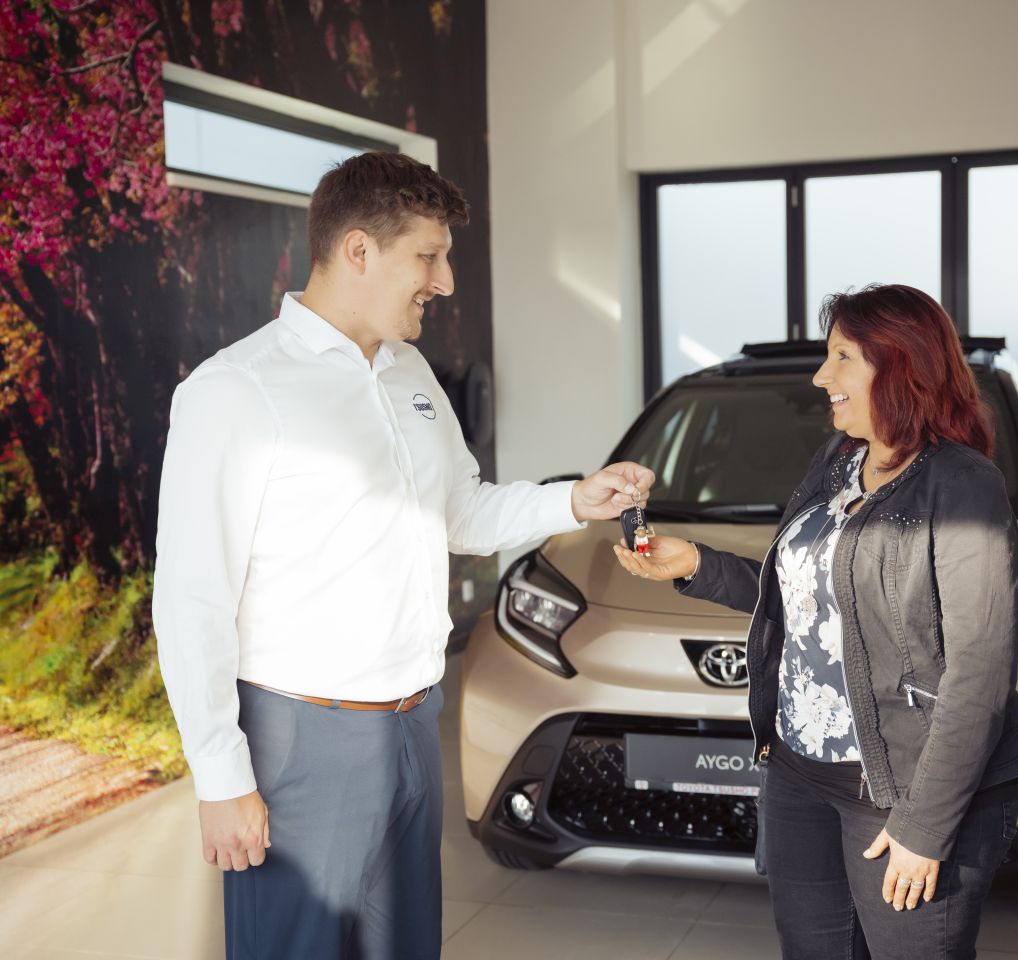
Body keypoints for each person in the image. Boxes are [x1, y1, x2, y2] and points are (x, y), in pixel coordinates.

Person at [153, 151, 654, 960]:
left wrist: (572, 499)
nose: (444, 281)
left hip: (415, 725)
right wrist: (221, 776)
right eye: (429, 256)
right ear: (358, 250)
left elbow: (460, 511)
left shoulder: (408, 371)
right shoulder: (234, 390)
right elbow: (190, 598)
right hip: (300, 741)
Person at [614, 284, 1018, 960]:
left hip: (898, 787)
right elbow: (804, 601)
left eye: (843, 357)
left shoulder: (962, 485)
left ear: (900, 366)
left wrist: (925, 827)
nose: (821, 377)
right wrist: (694, 562)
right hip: (798, 771)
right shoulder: (839, 462)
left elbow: (980, 674)